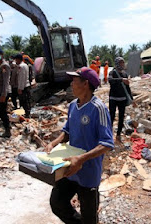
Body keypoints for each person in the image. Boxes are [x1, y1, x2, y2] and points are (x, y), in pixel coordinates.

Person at [45, 67, 114, 224]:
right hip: (69, 169)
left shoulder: (99, 108)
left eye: (74, 81)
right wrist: (54, 143)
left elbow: (107, 143)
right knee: (57, 203)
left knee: (89, 217)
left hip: (88, 172)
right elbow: (67, 131)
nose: (71, 84)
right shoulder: (72, 106)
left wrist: (81, 159)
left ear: (85, 84)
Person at [108, 57, 132, 142]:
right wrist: (121, 80)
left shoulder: (125, 74)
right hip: (113, 99)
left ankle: (118, 134)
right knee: (111, 116)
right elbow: (110, 80)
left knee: (121, 117)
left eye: (123, 62)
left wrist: (131, 99)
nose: (122, 64)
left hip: (122, 99)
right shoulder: (112, 72)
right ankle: (109, 135)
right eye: (121, 63)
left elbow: (127, 88)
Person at [0, 45, 12, 138]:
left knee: (2, 111)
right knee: (1, 111)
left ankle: (8, 130)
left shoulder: (4, 66)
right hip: (0, 92)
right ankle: (7, 129)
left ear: (1, 54)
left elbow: (6, 81)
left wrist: (3, 94)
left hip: (3, 92)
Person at [15, 53, 31, 118]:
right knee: (27, 100)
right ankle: (28, 113)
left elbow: (21, 78)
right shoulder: (25, 65)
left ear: (18, 59)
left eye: (16, 60)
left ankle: (27, 114)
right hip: (27, 85)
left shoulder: (20, 66)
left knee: (24, 101)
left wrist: (20, 88)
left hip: (23, 86)